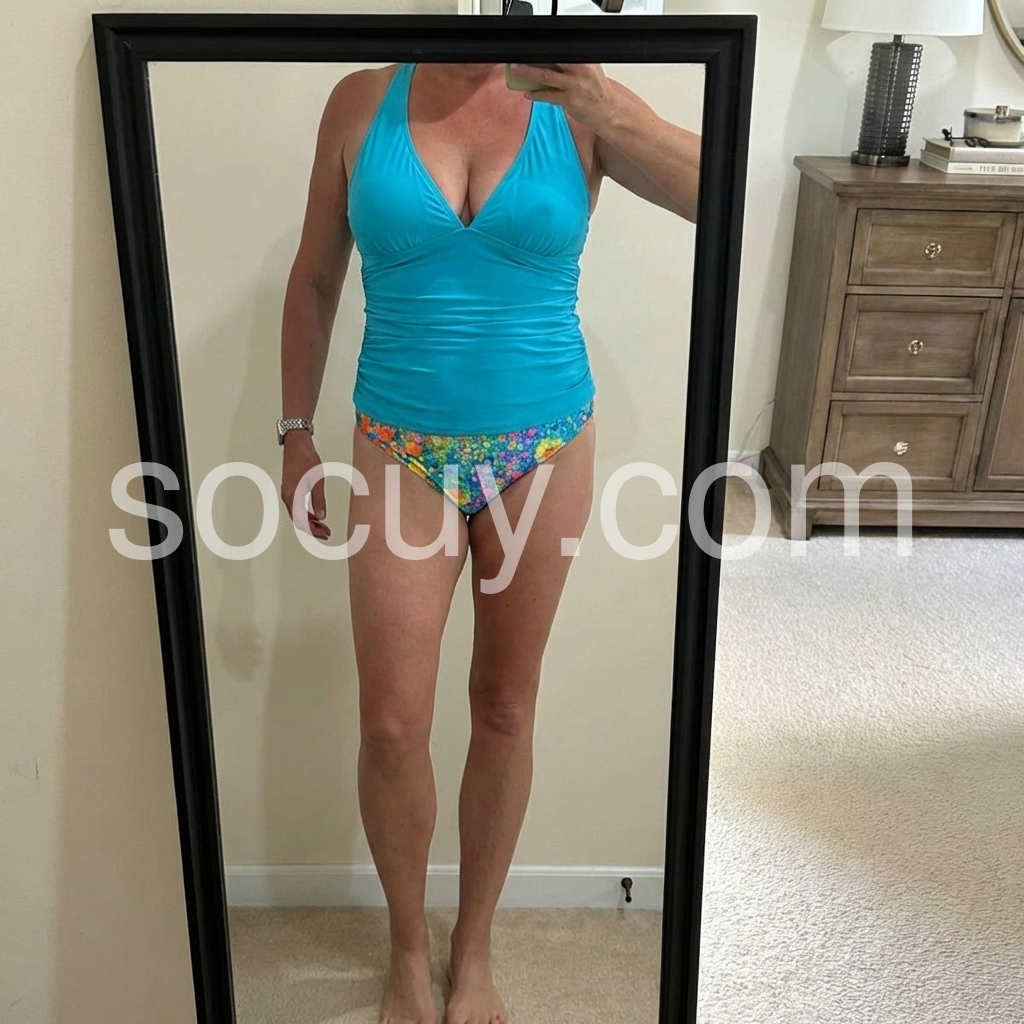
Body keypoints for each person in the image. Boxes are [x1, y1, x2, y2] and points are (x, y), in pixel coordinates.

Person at [279, 60, 700, 1024]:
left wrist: (610, 108)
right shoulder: (361, 101)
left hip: (542, 443)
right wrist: (294, 430)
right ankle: (406, 956)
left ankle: (472, 950)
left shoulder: (574, 100)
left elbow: (725, 198)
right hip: (399, 442)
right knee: (392, 723)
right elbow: (315, 274)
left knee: (505, 705)